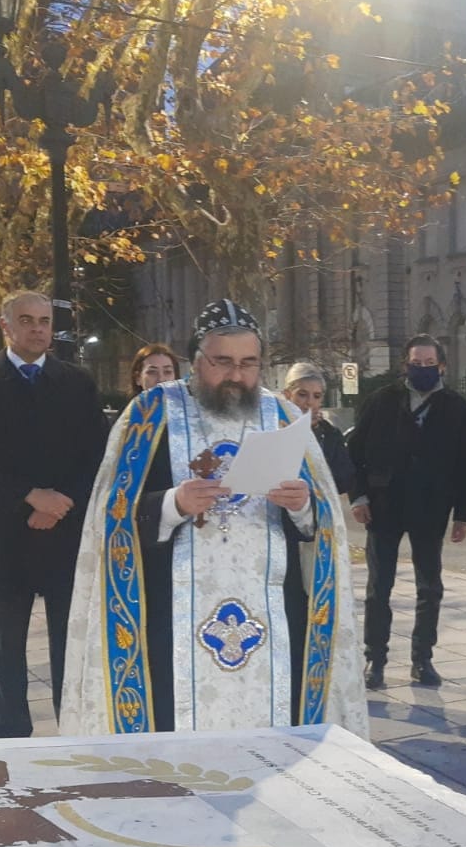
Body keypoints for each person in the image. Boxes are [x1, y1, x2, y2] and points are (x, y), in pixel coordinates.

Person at [61, 298, 369, 739]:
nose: (237, 375)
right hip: (169, 614)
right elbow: (113, 516)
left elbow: (320, 525)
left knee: (276, 732)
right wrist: (174, 504)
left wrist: (301, 505)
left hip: (273, 615)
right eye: (223, 362)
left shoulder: (282, 415)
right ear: (195, 360)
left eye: (249, 363)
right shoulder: (150, 413)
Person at [0, 290, 109, 736]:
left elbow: (96, 454)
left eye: (44, 321)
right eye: (26, 320)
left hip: (65, 530)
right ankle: (10, 735)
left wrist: (60, 503)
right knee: (7, 645)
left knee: (69, 643)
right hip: (8, 532)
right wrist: (29, 496)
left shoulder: (77, 382)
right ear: (6, 325)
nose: (38, 329)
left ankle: (72, 729)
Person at [348, 333, 466, 690]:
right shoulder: (380, 401)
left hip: (431, 508)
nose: (422, 369)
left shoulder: (456, 407)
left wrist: (463, 514)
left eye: (429, 363)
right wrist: (359, 498)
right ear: (405, 365)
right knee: (379, 587)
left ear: (442, 366)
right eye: (415, 363)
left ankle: (423, 660)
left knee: (429, 587)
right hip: (384, 506)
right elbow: (354, 453)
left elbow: (465, 463)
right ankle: (375, 659)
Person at [283, 360, 355, 494]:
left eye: (316, 396)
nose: (310, 402)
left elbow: (345, 480)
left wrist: (315, 432)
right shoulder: (273, 428)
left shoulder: (330, 434)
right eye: (302, 394)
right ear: (287, 395)